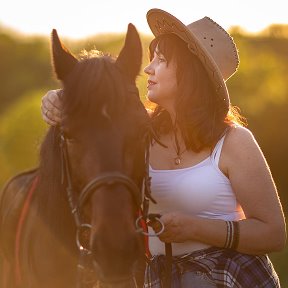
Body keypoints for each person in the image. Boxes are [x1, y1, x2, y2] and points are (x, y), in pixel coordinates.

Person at [41, 8, 286, 288]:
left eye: (161, 60)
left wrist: (196, 228)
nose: (148, 69)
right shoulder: (141, 133)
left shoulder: (234, 141)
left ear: (190, 74)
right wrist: (58, 96)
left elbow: (273, 234)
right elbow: (98, 112)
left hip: (228, 277)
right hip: (162, 278)